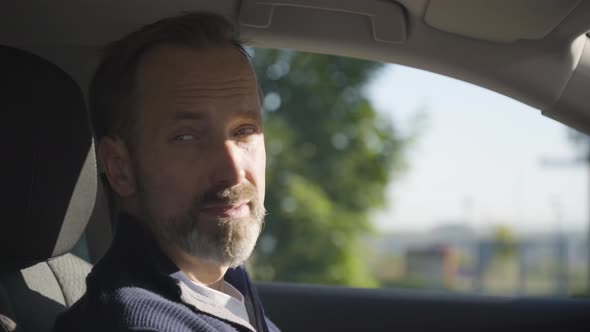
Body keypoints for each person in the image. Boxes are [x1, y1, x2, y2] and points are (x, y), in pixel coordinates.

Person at [54, 12, 279, 332]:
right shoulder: (140, 323)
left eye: (244, 131)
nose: (232, 171)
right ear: (120, 168)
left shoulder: (223, 290)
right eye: (187, 137)